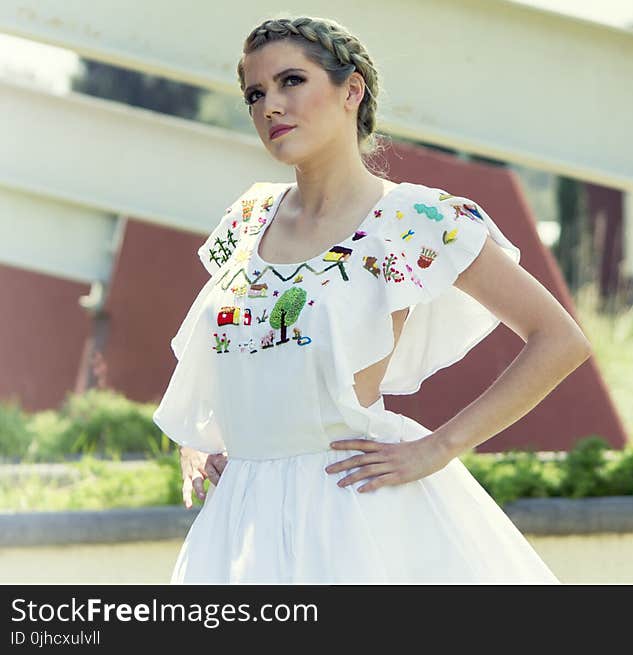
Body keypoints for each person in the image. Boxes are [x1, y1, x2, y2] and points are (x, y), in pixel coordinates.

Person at [152, 15, 592, 584]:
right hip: (240, 524)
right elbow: (215, 355)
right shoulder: (248, 216)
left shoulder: (415, 219)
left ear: (351, 89)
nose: (270, 107)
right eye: (255, 94)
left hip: (351, 511)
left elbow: (560, 340)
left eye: (292, 82)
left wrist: (439, 448)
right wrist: (196, 443)